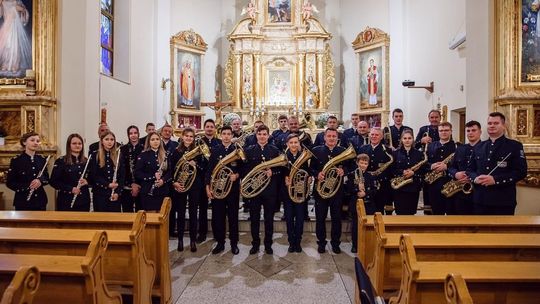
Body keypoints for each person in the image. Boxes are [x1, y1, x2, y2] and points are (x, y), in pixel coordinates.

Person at [466, 112, 527, 215]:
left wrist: (495, 180)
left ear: (503, 126)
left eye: (496, 123)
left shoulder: (514, 146)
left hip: (503, 201)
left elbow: (521, 172)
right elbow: (470, 170)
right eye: (489, 123)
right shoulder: (479, 146)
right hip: (479, 200)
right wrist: (475, 178)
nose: (492, 126)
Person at [311, 128, 355, 254]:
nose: (331, 138)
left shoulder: (343, 151)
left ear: (337, 138)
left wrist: (344, 171)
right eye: (329, 136)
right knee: (320, 218)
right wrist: (316, 174)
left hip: (337, 191)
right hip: (321, 191)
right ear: (324, 137)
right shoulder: (316, 151)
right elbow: (311, 168)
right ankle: (321, 243)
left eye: (334, 136)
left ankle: (335, 243)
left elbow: (351, 166)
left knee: (336, 218)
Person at [242, 125, 282, 255]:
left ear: (268, 135)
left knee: (269, 218)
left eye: (264, 134)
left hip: (270, 191)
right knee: (254, 218)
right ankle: (255, 244)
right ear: (256, 135)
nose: (262, 136)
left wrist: (273, 172)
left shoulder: (275, 150)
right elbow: (244, 169)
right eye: (260, 134)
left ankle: (268, 244)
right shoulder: (248, 150)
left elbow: (281, 169)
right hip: (254, 190)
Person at [205, 126, 241, 255]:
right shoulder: (215, 150)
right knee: (218, 217)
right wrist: (208, 188)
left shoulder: (236, 150)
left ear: (232, 136)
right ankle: (220, 243)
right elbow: (209, 171)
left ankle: (234, 243)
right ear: (220, 136)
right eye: (224, 134)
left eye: (228, 134)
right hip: (217, 189)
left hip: (232, 190)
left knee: (233, 217)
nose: (226, 136)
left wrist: (236, 175)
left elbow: (243, 169)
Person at [170, 128, 206, 252]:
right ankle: (180, 240)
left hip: (194, 186)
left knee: (193, 213)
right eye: (187, 136)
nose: (189, 138)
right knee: (180, 213)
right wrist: (174, 183)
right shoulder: (176, 152)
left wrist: (196, 165)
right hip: (180, 185)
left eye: (191, 136)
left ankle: (192, 240)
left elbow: (203, 169)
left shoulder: (198, 152)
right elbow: (171, 170)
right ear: (182, 137)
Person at [6, 132, 49, 211]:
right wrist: (27, 186)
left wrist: (40, 181)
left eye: (37, 141)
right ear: (24, 142)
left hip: (40, 201)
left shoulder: (42, 159)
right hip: (22, 201)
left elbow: (46, 177)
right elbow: (10, 183)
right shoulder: (16, 161)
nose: (35, 143)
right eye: (32, 140)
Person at [446, 121, 482, 215]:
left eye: (473, 130)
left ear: (480, 132)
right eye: (468, 131)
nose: (470, 133)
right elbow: (451, 167)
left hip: (478, 192)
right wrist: (456, 174)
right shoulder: (460, 148)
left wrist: (472, 177)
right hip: (460, 192)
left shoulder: (485, 148)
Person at [283, 134, 311, 253]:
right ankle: (291, 242)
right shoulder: (284, 157)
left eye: (296, 142)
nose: (294, 145)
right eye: (291, 143)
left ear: (299, 144)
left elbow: (308, 171)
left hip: (300, 192)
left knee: (300, 218)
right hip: (288, 193)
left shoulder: (303, 156)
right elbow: (280, 172)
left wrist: (309, 177)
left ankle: (298, 242)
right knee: (289, 218)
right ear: (287, 144)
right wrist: (285, 178)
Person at [50, 133, 91, 211]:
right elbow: (53, 181)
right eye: (74, 143)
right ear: (69, 145)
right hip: (66, 200)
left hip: (84, 201)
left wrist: (87, 181)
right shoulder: (61, 161)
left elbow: (93, 178)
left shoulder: (87, 161)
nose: (77, 145)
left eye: (80, 143)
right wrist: (70, 189)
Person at [196, 119, 221, 243]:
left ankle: (218, 233)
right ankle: (202, 233)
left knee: (217, 208)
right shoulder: (198, 142)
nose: (210, 128)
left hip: (217, 179)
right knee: (203, 207)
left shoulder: (219, 143)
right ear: (204, 128)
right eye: (207, 126)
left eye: (212, 126)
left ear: (215, 129)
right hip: (201, 179)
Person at [358, 128, 394, 214]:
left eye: (376, 135)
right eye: (372, 134)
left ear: (381, 137)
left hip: (381, 185)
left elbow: (390, 169)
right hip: (366, 184)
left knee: (379, 209)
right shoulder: (363, 148)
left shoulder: (387, 150)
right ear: (369, 135)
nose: (374, 136)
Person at [391, 130, 427, 215]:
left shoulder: (419, 154)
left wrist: (413, 173)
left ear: (413, 139)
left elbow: (423, 170)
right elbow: (392, 169)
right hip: (399, 188)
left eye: (409, 138)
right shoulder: (395, 153)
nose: (407, 140)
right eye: (405, 138)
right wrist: (402, 172)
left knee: (411, 213)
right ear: (401, 140)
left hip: (413, 188)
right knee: (399, 213)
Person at [346, 154, 376, 253]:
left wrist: (366, 193)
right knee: (355, 226)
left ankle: (366, 244)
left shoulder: (370, 176)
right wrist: (357, 190)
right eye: (361, 163)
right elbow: (348, 189)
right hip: (356, 203)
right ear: (357, 163)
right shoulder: (351, 174)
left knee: (367, 225)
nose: (363, 165)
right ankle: (355, 245)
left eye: (365, 163)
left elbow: (374, 190)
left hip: (368, 204)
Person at [135, 131, 171, 213]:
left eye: (157, 139)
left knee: (162, 218)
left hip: (163, 191)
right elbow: (138, 173)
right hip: (148, 191)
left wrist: (163, 180)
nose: (155, 141)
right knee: (151, 218)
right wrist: (153, 176)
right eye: (152, 139)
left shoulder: (165, 155)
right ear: (149, 142)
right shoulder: (143, 155)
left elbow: (170, 172)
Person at [88, 131, 124, 212]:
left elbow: (122, 176)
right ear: (102, 141)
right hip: (100, 194)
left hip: (115, 194)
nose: (109, 142)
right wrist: (108, 184)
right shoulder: (95, 155)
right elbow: (93, 176)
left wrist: (117, 193)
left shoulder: (118, 155)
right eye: (106, 139)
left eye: (112, 139)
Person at [426, 122, 457, 215]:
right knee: (436, 213)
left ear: (451, 131)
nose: (443, 132)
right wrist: (431, 165)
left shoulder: (457, 147)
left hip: (451, 184)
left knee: (451, 213)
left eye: (446, 130)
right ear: (438, 132)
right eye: (441, 130)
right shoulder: (431, 146)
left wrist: (446, 167)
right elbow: (424, 163)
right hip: (434, 185)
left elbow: (460, 165)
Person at [0, 0, 31, 77]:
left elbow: (22, 10)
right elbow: (0, 14)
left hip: (14, 27)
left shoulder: (15, 1)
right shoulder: (3, 2)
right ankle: (6, 64)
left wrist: (21, 10)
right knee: (7, 46)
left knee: (14, 45)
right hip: (7, 26)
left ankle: (14, 64)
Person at [120, 125, 144, 212]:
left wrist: (137, 184)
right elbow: (121, 170)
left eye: (135, 133)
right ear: (128, 135)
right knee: (127, 213)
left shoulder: (144, 149)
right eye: (131, 133)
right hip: (126, 187)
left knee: (140, 214)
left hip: (141, 187)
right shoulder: (122, 149)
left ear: (138, 134)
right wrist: (131, 184)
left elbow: (146, 169)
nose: (133, 135)